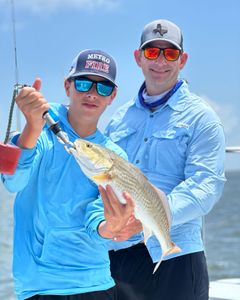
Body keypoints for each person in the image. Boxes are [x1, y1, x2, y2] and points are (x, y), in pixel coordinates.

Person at [103, 19, 226, 300]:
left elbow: (205, 186)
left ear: (182, 60)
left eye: (170, 53)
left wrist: (149, 216)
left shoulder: (202, 117)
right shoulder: (118, 118)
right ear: (138, 58)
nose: (160, 61)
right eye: (151, 52)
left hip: (176, 256)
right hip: (118, 255)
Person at [1, 49, 135, 300]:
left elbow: (97, 216)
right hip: (40, 285)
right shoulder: (40, 122)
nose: (92, 93)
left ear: (112, 96)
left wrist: (111, 227)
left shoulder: (114, 156)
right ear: (67, 86)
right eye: (83, 83)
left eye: (103, 88)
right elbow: (14, 181)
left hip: (95, 283)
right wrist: (31, 126)